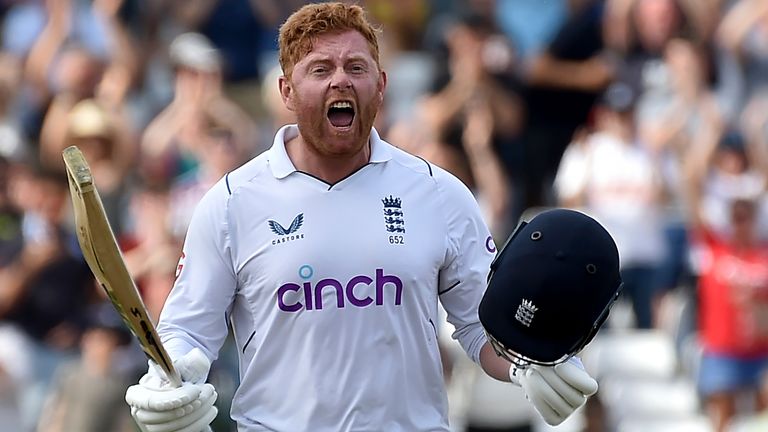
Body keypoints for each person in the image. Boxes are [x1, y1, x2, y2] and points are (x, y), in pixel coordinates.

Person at [124, 3, 600, 431]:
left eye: (356, 66)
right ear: (287, 91)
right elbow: (187, 329)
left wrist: (528, 363)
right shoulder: (232, 202)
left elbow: (481, 326)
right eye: (320, 69)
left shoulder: (439, 194)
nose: (340, 80)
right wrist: (172, 377)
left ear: (381, 84)